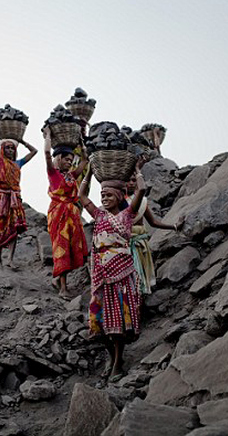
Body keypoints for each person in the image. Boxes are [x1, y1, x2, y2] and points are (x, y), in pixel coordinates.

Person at [79, 162, 146, 382]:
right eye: (102, 195)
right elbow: (81, 195)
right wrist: (89, 171)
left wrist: (136, 170)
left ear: (119, 196)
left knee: (119, 323)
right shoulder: (98, 216)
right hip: (101, 274)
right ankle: (112, 358)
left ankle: (118, 362)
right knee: (102, 323)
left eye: (108, 195)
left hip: (122, 274)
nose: (104, 198)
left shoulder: (126, 215)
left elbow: (141, 190)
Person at [0, 124, 37, 267]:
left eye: (12, 148)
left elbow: (34, 151)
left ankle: (10, 260)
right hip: (0, 198)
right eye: (6, 147)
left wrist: (21, 140)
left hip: (14, 198)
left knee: (13, 227)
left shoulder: (18, 164)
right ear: (2, 149)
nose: (9, 150)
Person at [43, 128, 88, 299]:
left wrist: (82, 147)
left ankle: (58, 281)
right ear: (59, 159)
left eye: (71, 160)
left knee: (69, 249)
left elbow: (84, 162)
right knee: (61, 247)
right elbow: (47, 153)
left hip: (72, 216)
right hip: (58, 215)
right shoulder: (53, 174)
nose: (70, 162)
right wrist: (48, 136)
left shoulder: (70, 176)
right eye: (67, 159)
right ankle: (63, 288)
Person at [125, 173, 182, 296]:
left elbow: (153, 222)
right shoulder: (118, 203)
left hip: (140, 244)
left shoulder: (142, 203)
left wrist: (174, 226)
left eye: (133, 180)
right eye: (127, 180)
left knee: (139, 279)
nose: (130, 183)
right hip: (125, 245)